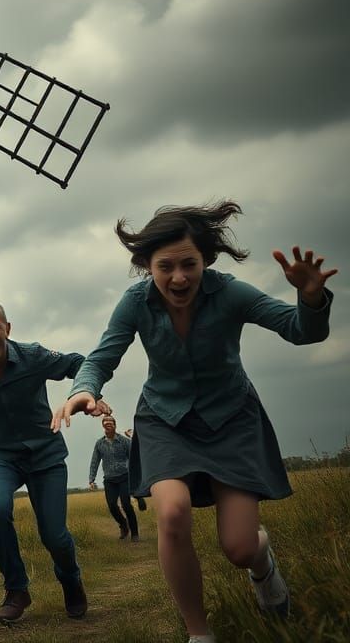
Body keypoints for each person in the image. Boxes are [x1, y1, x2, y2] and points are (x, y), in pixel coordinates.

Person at [52, 201, 336, 643]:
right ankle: (199, 634)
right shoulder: (135, 302)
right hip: (165, 419)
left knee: (240, 547)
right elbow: (102, 357)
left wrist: (312, 297)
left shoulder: (232, 293)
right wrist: (82, 391)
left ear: (206, 260)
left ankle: (262, 563)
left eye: (190, 264)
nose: (179, 277)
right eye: (166, 266)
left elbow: (303, 330)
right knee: (172, 511)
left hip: (231, 417)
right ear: (147, 266)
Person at [0, 300, 89, 625]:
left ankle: (71, 581)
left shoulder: (34, 356)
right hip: (0, 458)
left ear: (7, 329)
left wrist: (80, 395)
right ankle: (16, 590)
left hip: (46, 456)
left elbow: (80, 364)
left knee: (54, 535)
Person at [88, 414, 140, 541]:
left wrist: (135, 475)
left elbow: (134, 455)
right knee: (112, 505)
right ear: (103, 426)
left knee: (126, 504)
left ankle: (135, 533)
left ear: (114, 426)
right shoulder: (99, 443)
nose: (108, 425)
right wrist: (91, 479)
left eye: (110, 423)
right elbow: (95, 461)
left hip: (124, 477)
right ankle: (123, 525)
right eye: (105, 424)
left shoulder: (123, 441)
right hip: (110, 479)